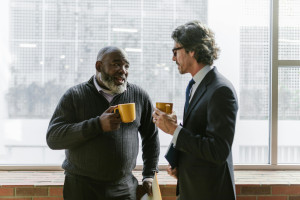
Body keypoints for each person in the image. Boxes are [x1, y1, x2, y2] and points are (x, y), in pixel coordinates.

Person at [46, 46, 160, 200]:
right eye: (116, 64)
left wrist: (149, 175)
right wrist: (97, 125)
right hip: (82, 189)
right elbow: (53, 138)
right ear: (99, 66)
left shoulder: (139, 96)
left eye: (126, 66)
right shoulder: (75, 96)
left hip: (124, 188)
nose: (123, 70)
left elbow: (151, 137)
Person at [152, 20, 238, 200]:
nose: (173, 58)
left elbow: (218, 150)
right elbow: (200, 133)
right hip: (192, 188)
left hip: (210, 193)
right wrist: (180, 163)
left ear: (192, 50)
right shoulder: (194, 85)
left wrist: (174, 130)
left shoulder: (221, 91)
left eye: (175, 51)